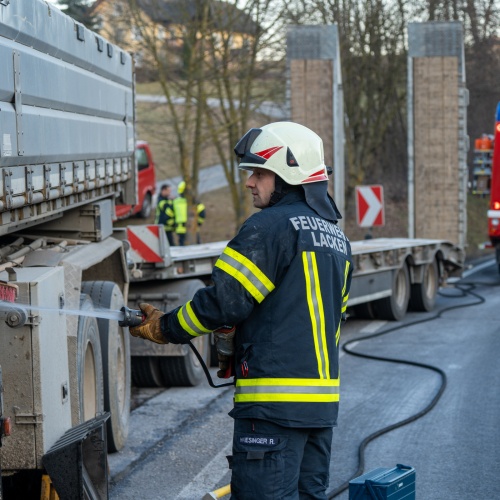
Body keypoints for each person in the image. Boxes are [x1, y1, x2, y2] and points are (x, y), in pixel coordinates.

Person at [129, 122, 353, 500]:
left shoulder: (267, 227)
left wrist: (163, 327)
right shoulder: (337, 238)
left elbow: (224, 302)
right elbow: (327, 316)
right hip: (320, 409)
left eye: (259, 172)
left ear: (289, 175)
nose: (250, 182)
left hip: (272, 408)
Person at [173, 180, 188, 246]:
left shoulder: (175, 202)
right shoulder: (191, 202)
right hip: (191, 228)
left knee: (182, 248)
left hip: (179, 229)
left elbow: (171, 214)